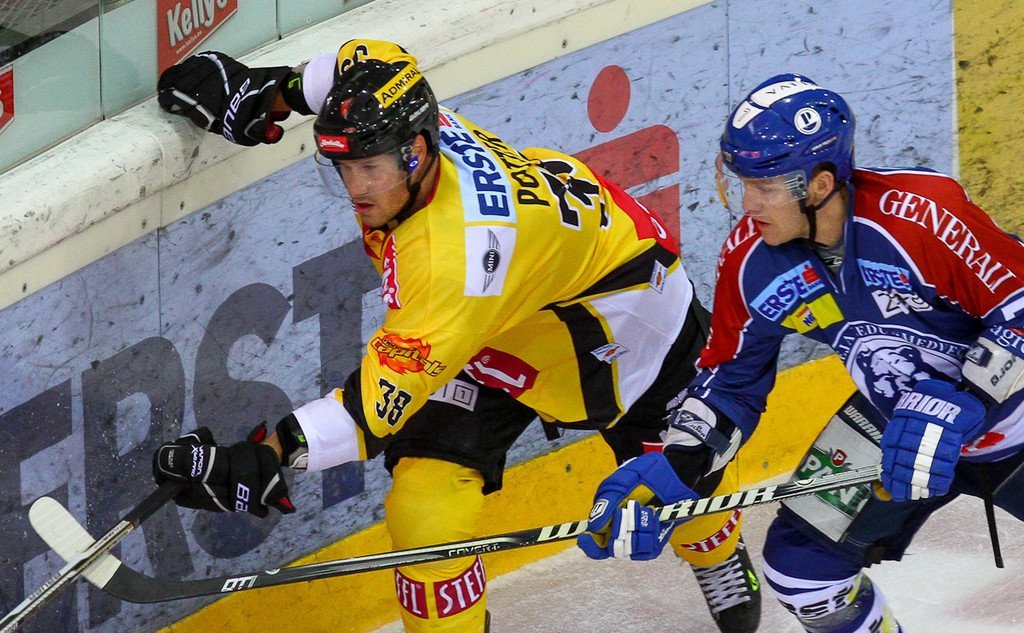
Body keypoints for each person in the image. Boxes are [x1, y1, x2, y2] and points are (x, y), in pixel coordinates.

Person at [150, 40, 763, 633]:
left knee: (678, 488)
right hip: (504, 320)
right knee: (424, 510)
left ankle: (715, 550)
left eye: (369, 168)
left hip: (630, 329)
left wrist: (265, 456)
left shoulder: (454, 263)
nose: (356, 188)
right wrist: (275, 92)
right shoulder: (400, 111)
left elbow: (369, 415)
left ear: (416, 152)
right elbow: (364, 56)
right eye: (345, 167)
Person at [578, 72, 1024, 632]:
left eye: (765, 187)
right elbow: (732, 382)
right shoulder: (751, 261)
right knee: (803, 574)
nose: (748, 204)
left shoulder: (920, 216)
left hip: (1011, 415)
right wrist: (676, 466)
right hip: (896, 425)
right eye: (742, 184)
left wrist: (966, 399)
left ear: (819, 184)